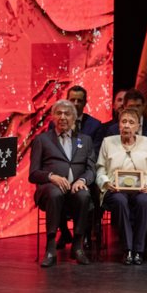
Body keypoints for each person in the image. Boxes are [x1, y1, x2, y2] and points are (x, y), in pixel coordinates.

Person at [29, 99, 95, 267]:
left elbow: (91, 169)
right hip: (50, 191)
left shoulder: (85, 140)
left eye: (67, 114)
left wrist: (82, 180)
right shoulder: (42, 140)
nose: (63, 117)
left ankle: (78, 245)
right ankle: (50, 247)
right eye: (59, 113)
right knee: (55, 192)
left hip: (75, 189)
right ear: (52, 117)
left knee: (84, 194)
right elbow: (33, 173)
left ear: (74, 118)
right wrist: (52, 176)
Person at [96, 108, 147, 265]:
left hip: (141, 189)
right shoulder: (108, 142)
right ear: (119, 125)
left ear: (138, 126)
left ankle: (139, 250)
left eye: (131, 122)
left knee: (144, 202)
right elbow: (100, 168)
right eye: (123, 122)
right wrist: (105, 182)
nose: (126, 126)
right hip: (115, 189)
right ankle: (128, 249)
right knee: (120, 201)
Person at [49, 85, 102, 249]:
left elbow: (96, 152)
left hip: (84, 172)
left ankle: (85, 235)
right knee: (55, 190)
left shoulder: (95, 125)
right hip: (61, 174)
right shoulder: (54, 125)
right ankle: (64, 232)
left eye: (80, 100)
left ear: (85, 102)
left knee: (90, 191)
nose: (76, 103)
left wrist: (81, 177)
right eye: (73, 100)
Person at [105, 88, 147, 157]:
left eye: (138, 106)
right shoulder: (113, 130)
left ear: (143, 107)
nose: (135, 109)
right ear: (124, 107)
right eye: (131, 106)